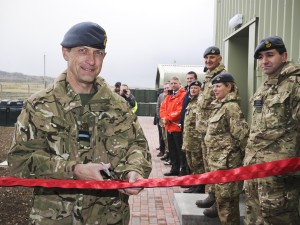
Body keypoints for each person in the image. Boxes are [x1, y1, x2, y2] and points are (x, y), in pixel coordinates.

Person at [7, 21, 152, 225]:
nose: (91, 61)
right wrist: (73, 170)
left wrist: (134, 171)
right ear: (65, 53)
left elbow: (138, 147)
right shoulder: (39, 105)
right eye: (83, 51)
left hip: (110, 217)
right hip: (55, 219)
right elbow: (19, 161)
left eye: (98, 52)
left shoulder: (119, 107)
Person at [243, 36, 300, 224]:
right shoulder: (265, 86)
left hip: (279, 180)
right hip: (255, 176)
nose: (264, 61)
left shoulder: (295, 84)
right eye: (260, 57)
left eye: (269, 55)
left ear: (284, 56)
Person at [205, 73, 249, 224]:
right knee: (223, 206)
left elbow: (242, 136)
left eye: (218, 86)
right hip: (219, 165)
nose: (214, 90)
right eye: (213, 87)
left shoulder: (231, 107)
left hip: (228, 167)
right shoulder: (221, 106)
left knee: (228, 209)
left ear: (228, 87)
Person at [195, 46, 227, 217]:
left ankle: (218, 203)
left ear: (219, 59)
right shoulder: (209, 77)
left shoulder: (221, 77)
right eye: (206, 58)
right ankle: (211, 195)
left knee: (215, 166)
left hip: (213, 130)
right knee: (208, 165)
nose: (208, 61)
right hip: (204, 130)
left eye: (212, 57)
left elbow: (220, 102)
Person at [181, 80, 206, 194]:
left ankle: (199, 186)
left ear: (200, 89)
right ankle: (194, 184)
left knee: (198, 164)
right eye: (191, 88)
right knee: (191, 163)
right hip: (188, 139)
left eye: (196, 88)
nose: (193, 90)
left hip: (197, 140)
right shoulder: (190, 102)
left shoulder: (201, 103)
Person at [160, 76, 188, 176]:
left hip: (177, 127)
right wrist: (164, 118)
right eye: (171, 83)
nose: (173, 85)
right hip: (169, 127)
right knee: (172, 150)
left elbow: (180, 110)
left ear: (179, 84)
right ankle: (174, 169)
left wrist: (167, 118)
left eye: (175, 83)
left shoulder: (183, 95)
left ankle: (182, 170)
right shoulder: (169, 96)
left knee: (180, 151)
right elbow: (162, 108)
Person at [155, 82, 170, 157]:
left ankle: (168, 153)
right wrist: (159, 116)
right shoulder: (161, 96)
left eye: (167, 88)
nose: (166, 89)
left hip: (168, 120)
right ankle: (162, 151)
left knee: (168, 138)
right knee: (162, 136)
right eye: (165, 88)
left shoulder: (171, 96)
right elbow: (158, 106)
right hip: (161, 120)